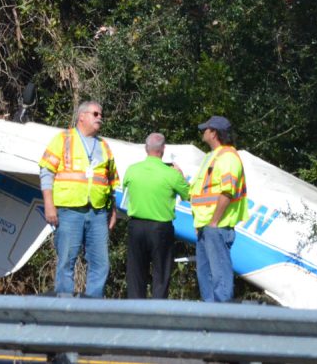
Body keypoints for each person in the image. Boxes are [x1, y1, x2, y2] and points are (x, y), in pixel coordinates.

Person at [38, 100, 120, 298]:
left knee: (101, 263)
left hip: (98, 212)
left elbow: (111, 182)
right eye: (95, 114)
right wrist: (49, 205)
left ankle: (92, 308)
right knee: (66, 260)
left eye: (101, 114)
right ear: (81, 116)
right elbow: (46, 172)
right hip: (69, 211)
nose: (100, 117)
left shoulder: (104, 146)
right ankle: (65, 307)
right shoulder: (63, 139)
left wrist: (114, 211)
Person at [122, 133, 190, 299]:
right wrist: (180, 174)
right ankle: (157, 312)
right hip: (160, 228)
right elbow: (189, 195)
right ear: (163, 150)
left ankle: (135, 310)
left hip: (136, 226)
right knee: (161, 273)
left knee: (136, 272)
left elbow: (125, 189)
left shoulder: (132, 170)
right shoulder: (171, 174)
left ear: (146, 149)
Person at [190, 115, 249, 302]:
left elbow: (227, 192)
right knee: (206, 277)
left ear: (213, 133)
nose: (203, 132)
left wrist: (214, 222)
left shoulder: (228, 157)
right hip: (206, 227)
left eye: (205, 129)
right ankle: (210, 321)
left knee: (220, 279)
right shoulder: (212, 156)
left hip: (217, 226)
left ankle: (221, 320)